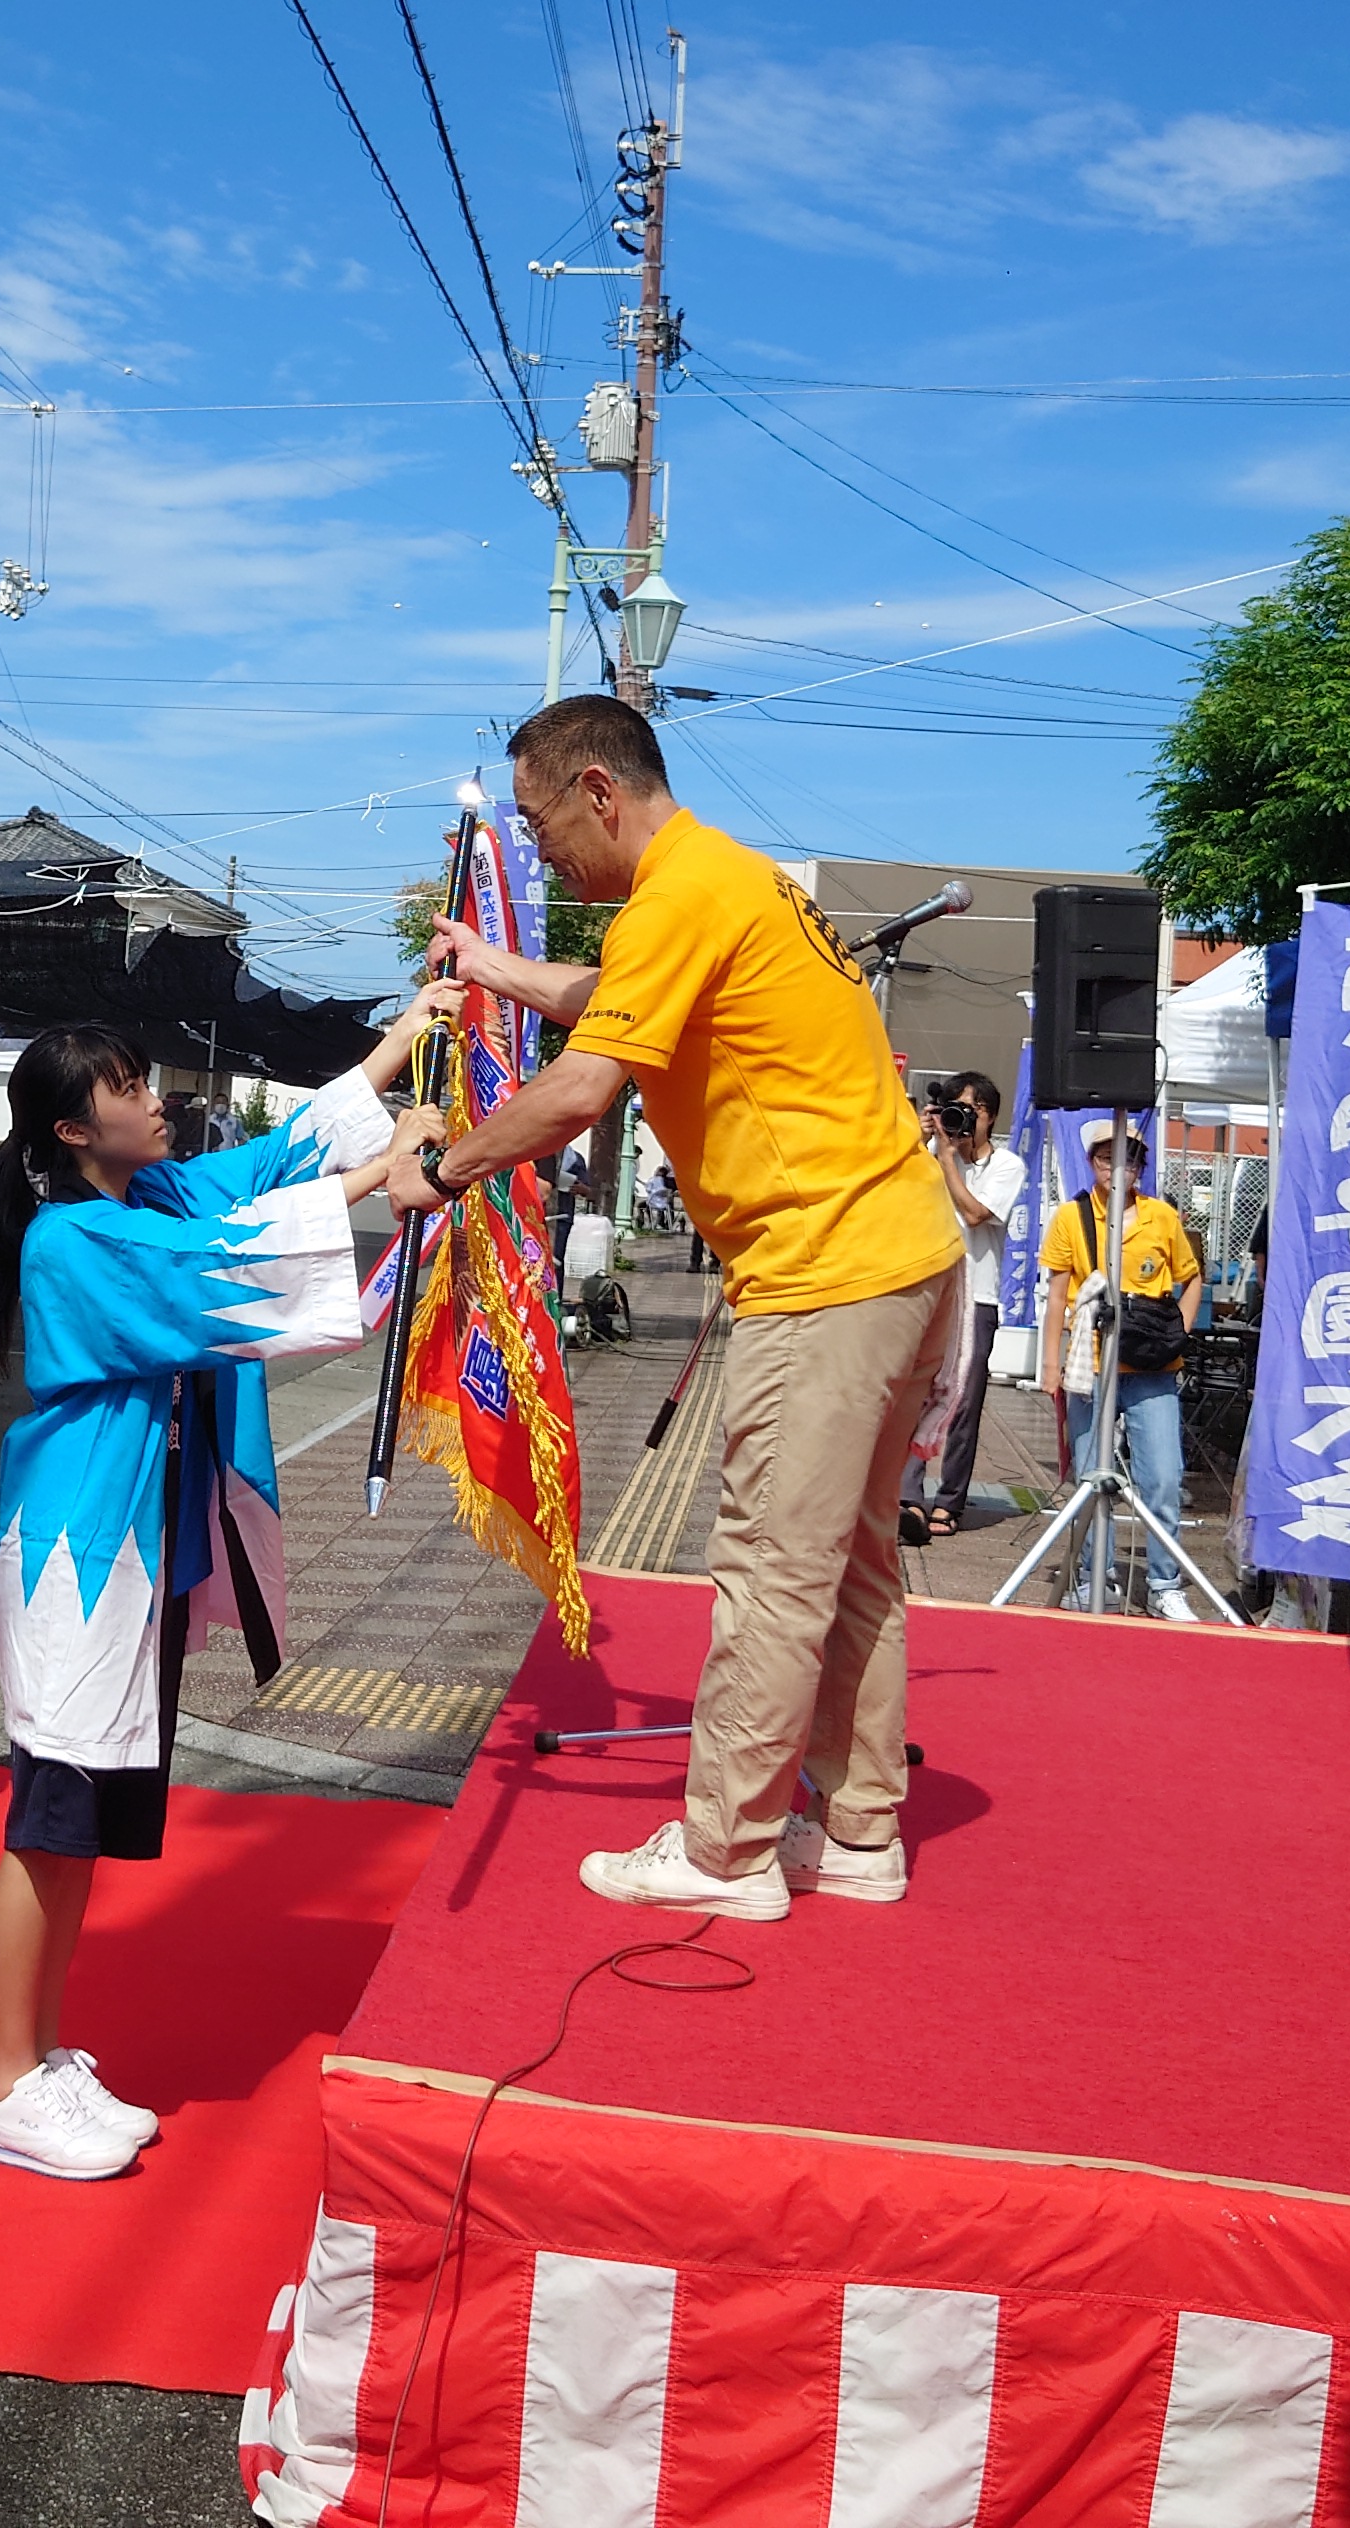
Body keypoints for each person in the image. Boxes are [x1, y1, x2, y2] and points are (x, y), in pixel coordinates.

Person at [408, 697, 963, 1922]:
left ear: (600, 791)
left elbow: (581, 1089)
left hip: (824, 1269)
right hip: (903, 1252)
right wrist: (492, 967)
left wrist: (442, 1168)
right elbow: (609, 995)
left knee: (770, 1568)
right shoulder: (727, 877)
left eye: (542, 822)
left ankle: (728, 1852)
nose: (542, 849)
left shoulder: (675, 898)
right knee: (853, 1562)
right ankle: (859, 1831)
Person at [0, 1001, 447, 2176]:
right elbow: (225, 1265)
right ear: (75, 1129)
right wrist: (388, 1173)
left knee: (79, 1829)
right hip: (81, 1555)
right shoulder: (76, 1238)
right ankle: (5, 2081)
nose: (155, 1099)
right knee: (48, 1824)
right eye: (128, 1089)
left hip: (130, 1553)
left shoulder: (153, 1194)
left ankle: (42, 2057)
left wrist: (405, 1038)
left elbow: (273, 1168)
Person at [1036, 1127, 1212, 1618]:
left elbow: (1191, 1276)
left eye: (1131, 1159)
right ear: (1091, 1161)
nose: (1118, 1168)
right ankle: (1097, 1574)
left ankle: (1164, 1582)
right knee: (1091, 1476)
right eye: (1107, 1157)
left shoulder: (1162, 1216)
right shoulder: (1072, 1216)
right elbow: (1056, 1295)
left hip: (1151, 1364)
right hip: (1090, 1363)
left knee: (1162, 1476)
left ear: (1142, 1167)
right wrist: (1050, 1363)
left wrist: (1179, 1332)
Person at [910, 1069, 1024, 1540]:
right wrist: (916, 1141)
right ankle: (908, 1498)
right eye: (956, 1106)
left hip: (976, 1296)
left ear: (990, 1117)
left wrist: (947, 1159)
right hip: (927, 1290)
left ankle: (949, 1500)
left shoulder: (1007, 1165)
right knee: (914, 1395)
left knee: (963, 1403)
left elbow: (976, 1215)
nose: (963, 1116)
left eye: (974, 1108)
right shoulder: (928, 1153)